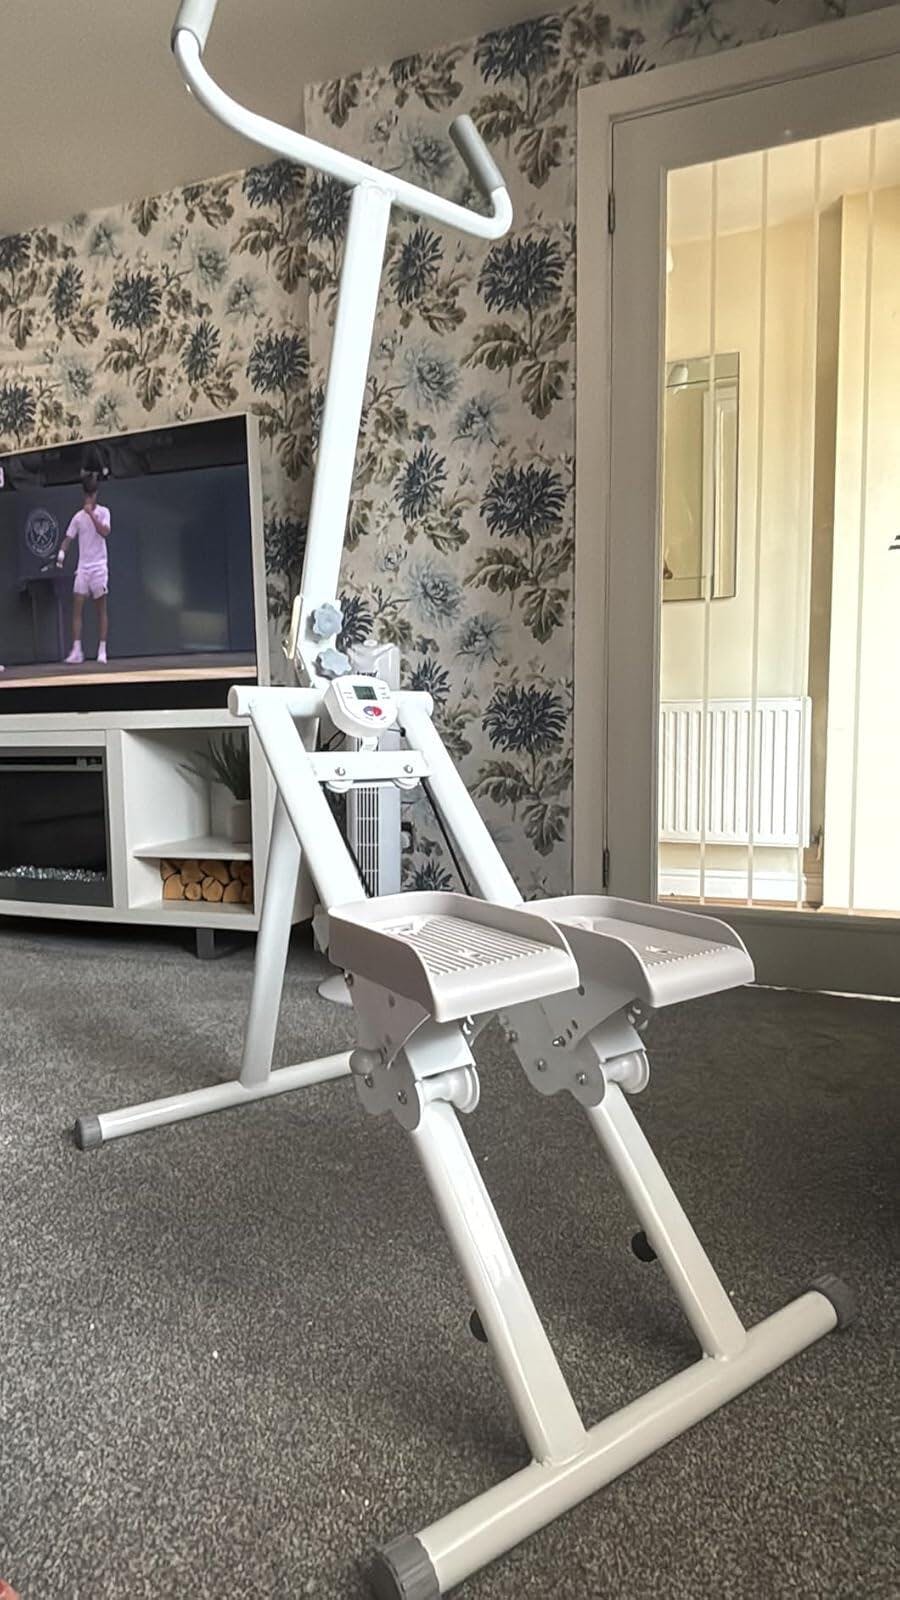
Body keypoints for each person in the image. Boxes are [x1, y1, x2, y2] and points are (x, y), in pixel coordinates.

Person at [56, 472, 111, 664]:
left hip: (99, 567)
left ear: (96, 494)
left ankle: (102, 650)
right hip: (83, 568)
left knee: (100, 609)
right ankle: (76, 650)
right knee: (77, 607)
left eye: (91, 495)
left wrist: (92, 515)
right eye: (87, 495)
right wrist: (61, 554)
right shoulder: (78, 518)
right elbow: (68, 538)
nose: (89, 498)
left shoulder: (104, 512)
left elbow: (105, 532)